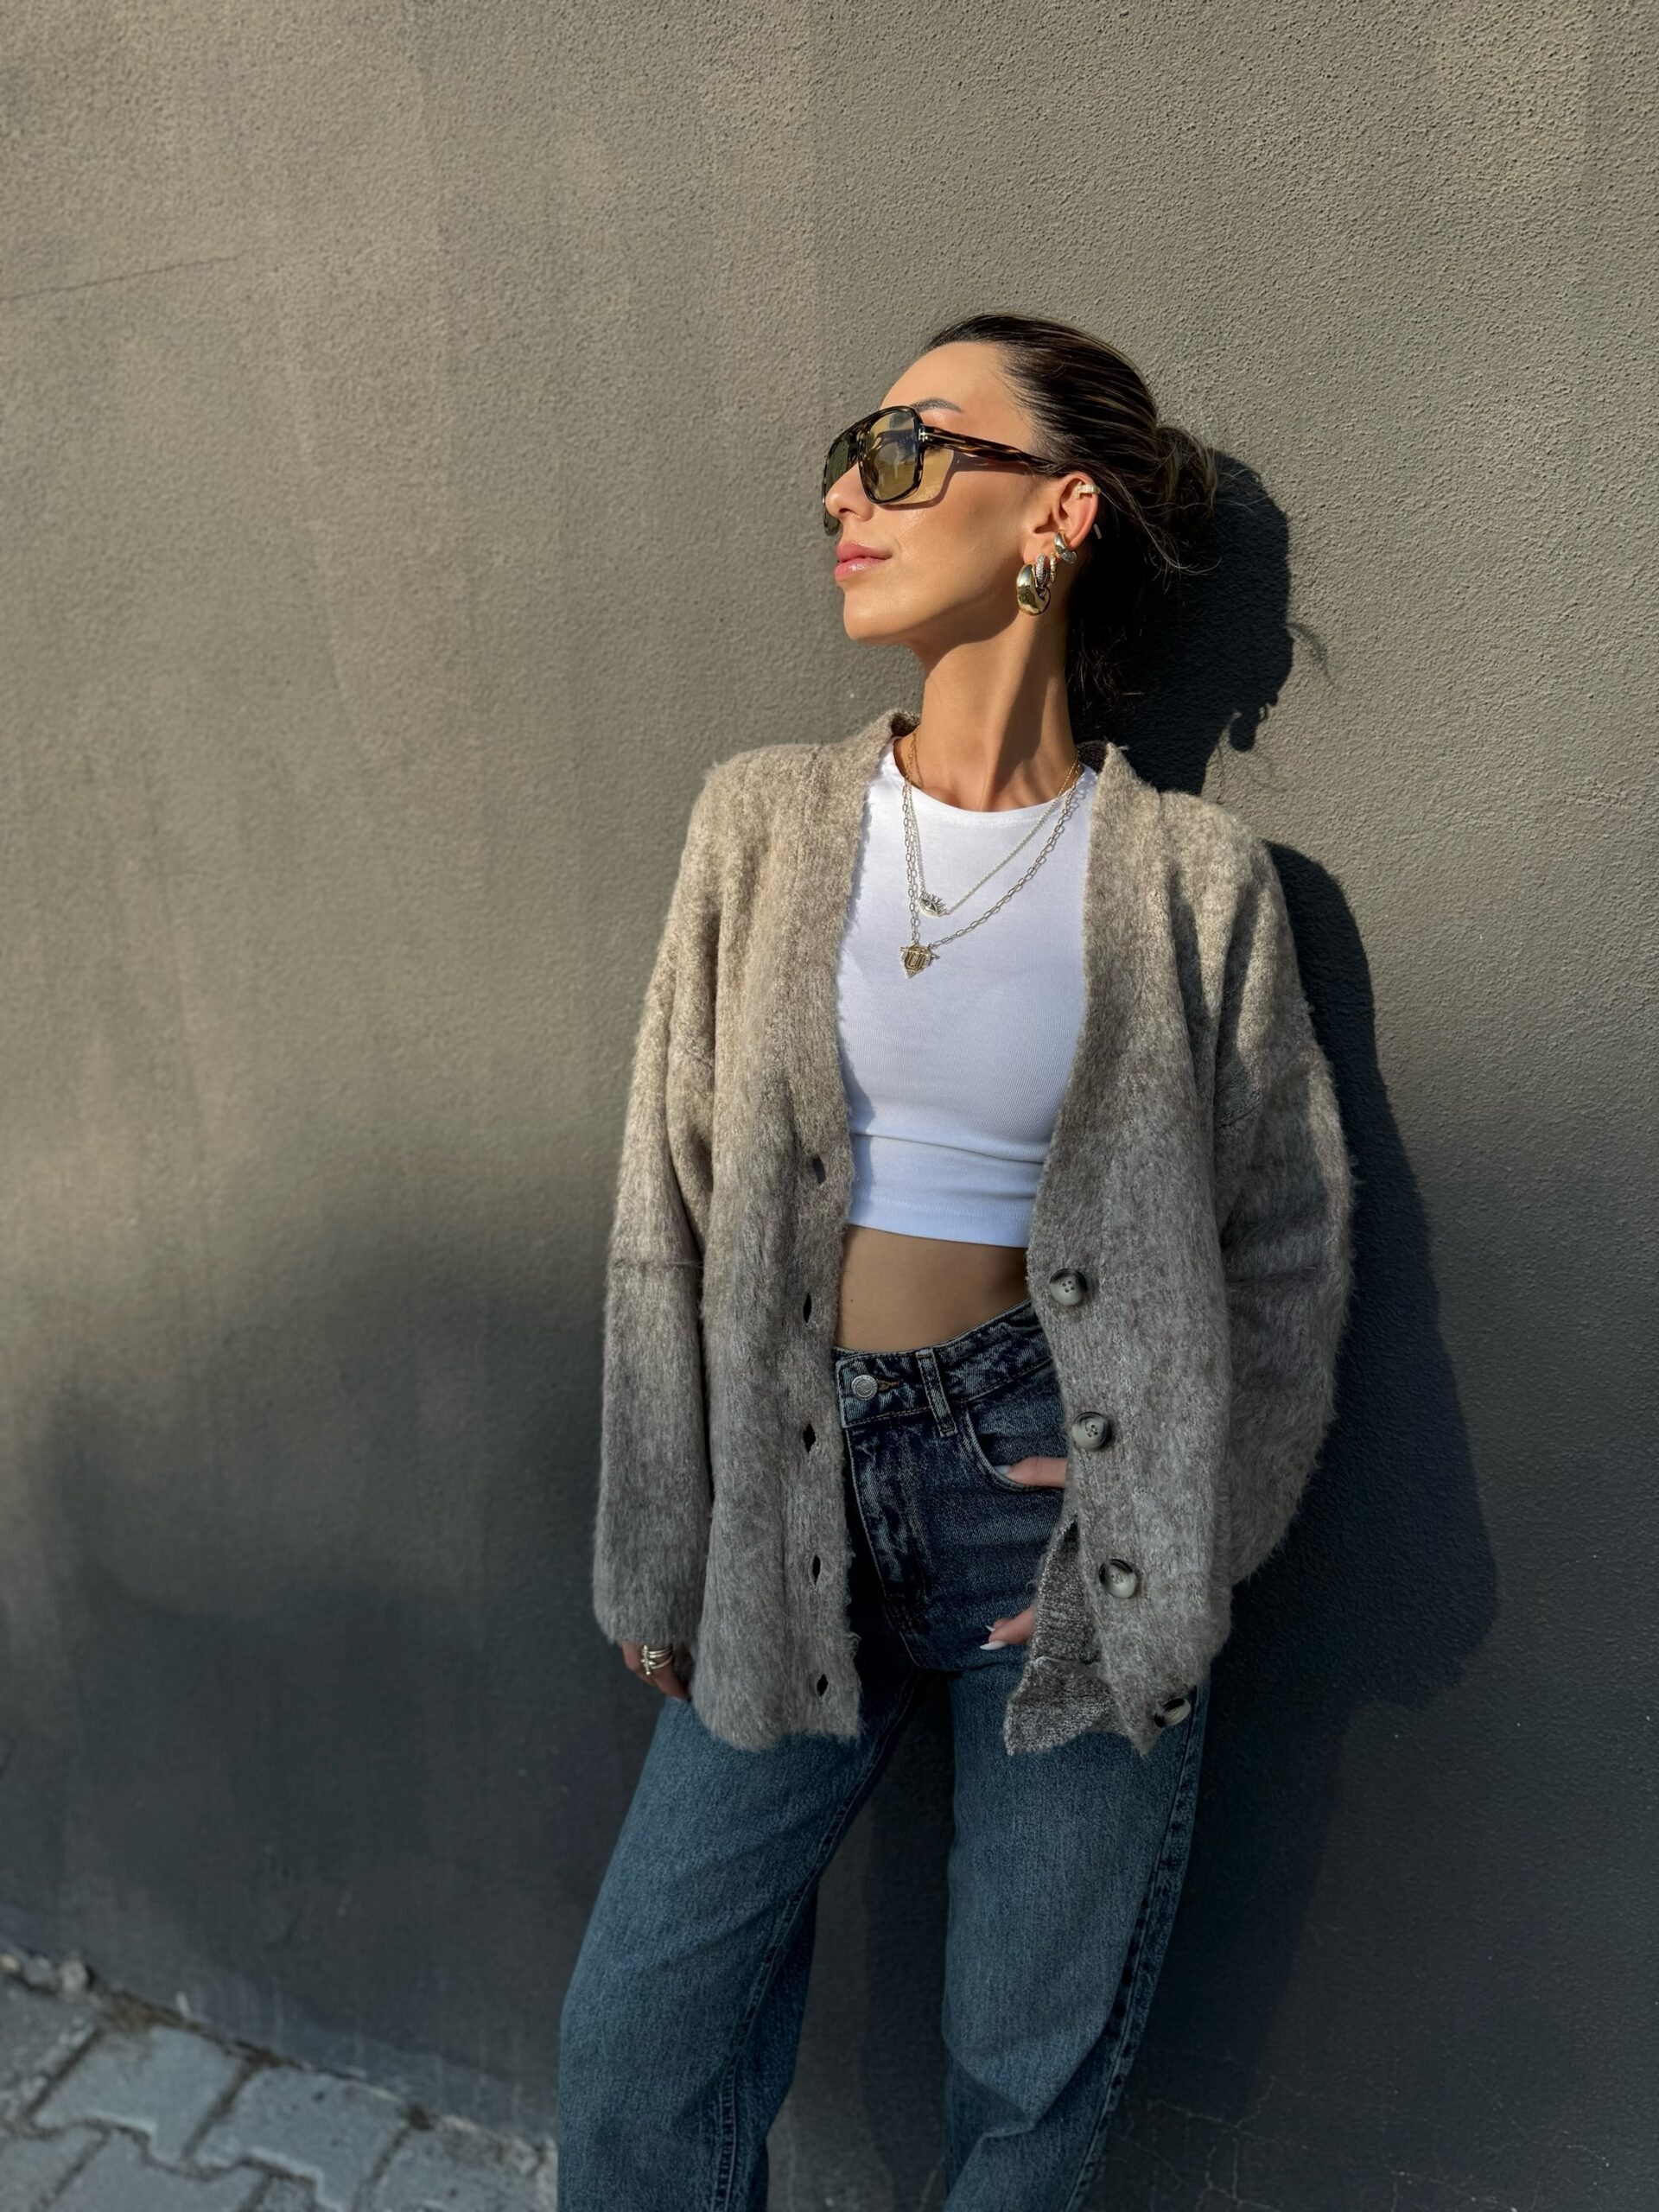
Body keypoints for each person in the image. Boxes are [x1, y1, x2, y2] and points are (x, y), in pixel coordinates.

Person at [556, 312, 1356, 2209]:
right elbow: (665, 1202)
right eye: (851, 454)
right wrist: (656, 1534)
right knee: (640, 2037)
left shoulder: (1196, 883)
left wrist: (1181, 1496)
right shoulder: (759, 819)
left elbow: (1291, 1243)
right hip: (790, 1489)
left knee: (1024, 2068)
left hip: (1059, 1527)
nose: (851, 491)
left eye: (910, 449)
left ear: (1055, 514)